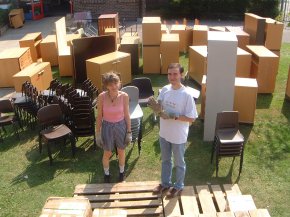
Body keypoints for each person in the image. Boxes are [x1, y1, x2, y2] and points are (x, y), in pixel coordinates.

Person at [152, 63, 198, 198]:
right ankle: (165, 183)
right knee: (166, 160)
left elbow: (192, 118)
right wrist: (156, 108)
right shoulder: (165, 89)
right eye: (169, 74)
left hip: (178, 136)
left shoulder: (187, 95)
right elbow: (160, 106)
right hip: (164, 134)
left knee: (179, 163)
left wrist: (174, 116)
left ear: (181, 75)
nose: (172, 77)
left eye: (175, 74)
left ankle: (178, 186)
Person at [96, 71, 132, 183]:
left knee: (121, 151)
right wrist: (97, 133)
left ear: (119, 83)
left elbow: (127, 115)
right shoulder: (101, 97)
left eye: (116, 83)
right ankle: (106, 174)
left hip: (121, 125)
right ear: (106, 86)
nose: (114, 86)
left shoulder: (124, 96)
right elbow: (99, 116)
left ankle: (122, 173)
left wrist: (129, 132)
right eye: (111, 84)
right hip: (107, 126)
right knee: (107, 152)